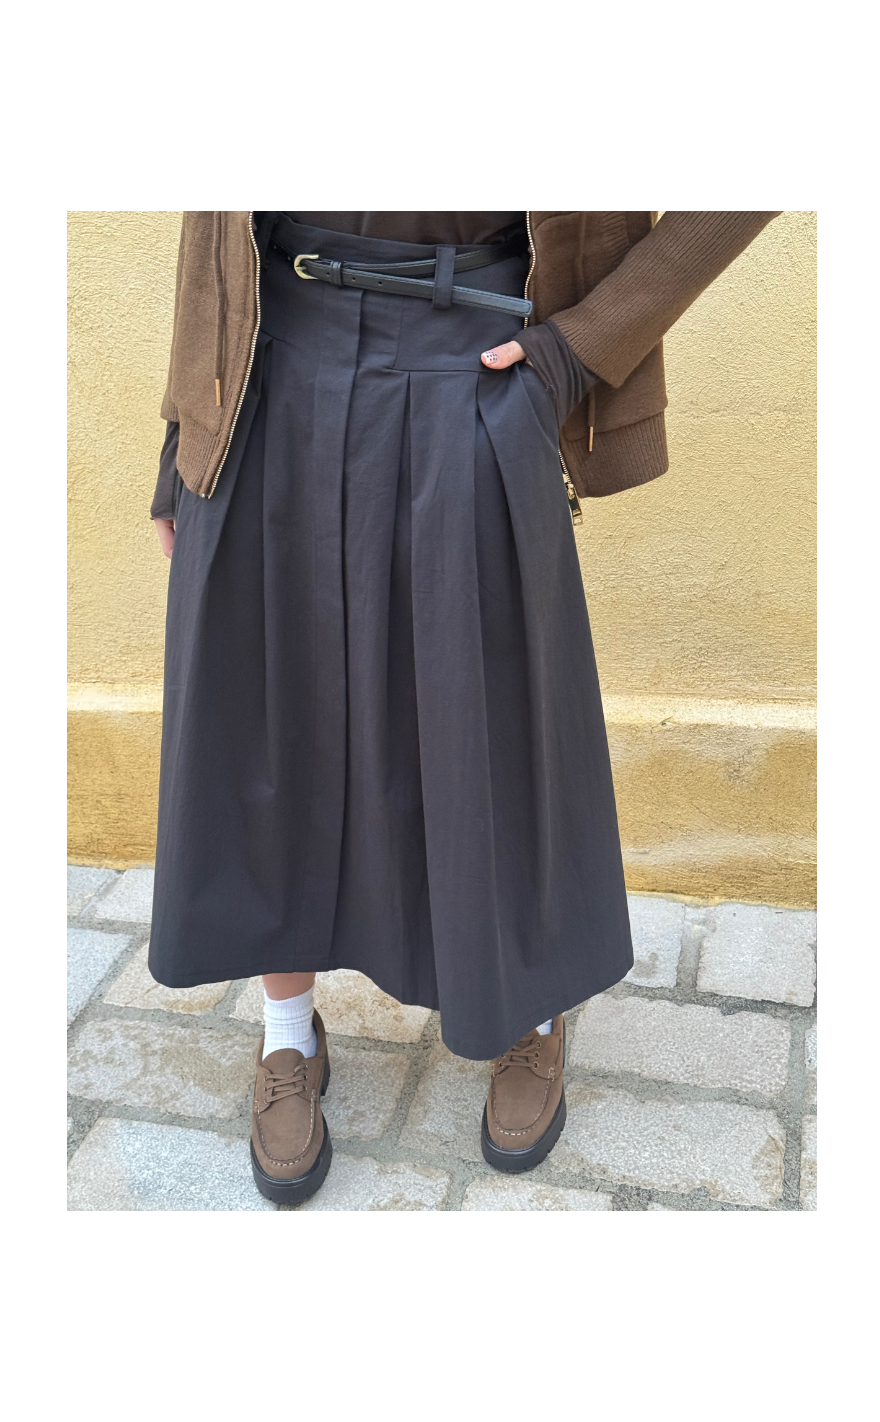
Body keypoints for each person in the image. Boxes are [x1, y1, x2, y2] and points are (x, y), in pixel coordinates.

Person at [148, 211, 780, 1204]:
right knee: (271, 715)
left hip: (471, 366)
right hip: (275, 364)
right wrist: (186, 426)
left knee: (487, 722)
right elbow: (217, 221)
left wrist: (575, 351)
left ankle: (528, 1011)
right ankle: (286, 1034)